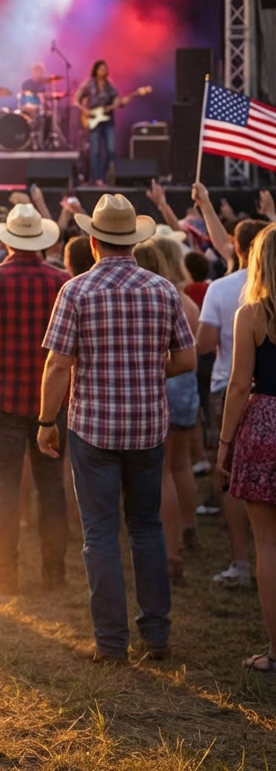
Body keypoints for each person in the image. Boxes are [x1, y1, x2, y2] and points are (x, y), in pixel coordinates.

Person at [38, 194, 195, 663]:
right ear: (133, 241)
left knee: (100, 533)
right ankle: (157, 636)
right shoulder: (163, 289)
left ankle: (111, 643)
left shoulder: (77, 291)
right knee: (147, 528)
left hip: (93, 429)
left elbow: (57, 364)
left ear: (92, 241)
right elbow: (186, 358)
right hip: (148, 426)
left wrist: (47, 420)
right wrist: (149, 370)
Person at [0, 204, 70, 594]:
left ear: (8, 237)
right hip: (51, 403)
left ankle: (4, 572)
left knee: (4, 487)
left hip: (3, 398)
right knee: (51, 486)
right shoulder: (62, 282)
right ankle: (54, 573)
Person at [197, 207, 268, 587]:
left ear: (238, 248)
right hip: (258, 396)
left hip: (238, 393)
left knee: (236, 484)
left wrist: (225, 445)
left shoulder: (229, 294)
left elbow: (208, 348)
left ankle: (240, 561)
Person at [218, 223, 276, 672]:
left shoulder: (251, 315)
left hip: (264, 425)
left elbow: (238, 385)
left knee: (268, 546)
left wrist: (223, 446)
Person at [150, 234, 202, 581]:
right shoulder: (185, 300)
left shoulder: (158, 297)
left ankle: (171, 554)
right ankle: (189, 528)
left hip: (165, 382)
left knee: (164, 472)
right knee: (182, 465)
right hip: (186, 387)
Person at [74, 60, 120, 186]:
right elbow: (76, 99)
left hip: (107, 120)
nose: (103, 71)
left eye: (105, 69)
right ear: (96, 70)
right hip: (94, 119)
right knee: (95, 151)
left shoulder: (110, 86)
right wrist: (85, 111)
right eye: (101, 69)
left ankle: (106, 175)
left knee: (111, 149)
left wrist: (117, 103)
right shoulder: (88, 84)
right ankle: (97, 178)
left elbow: (117, 99)